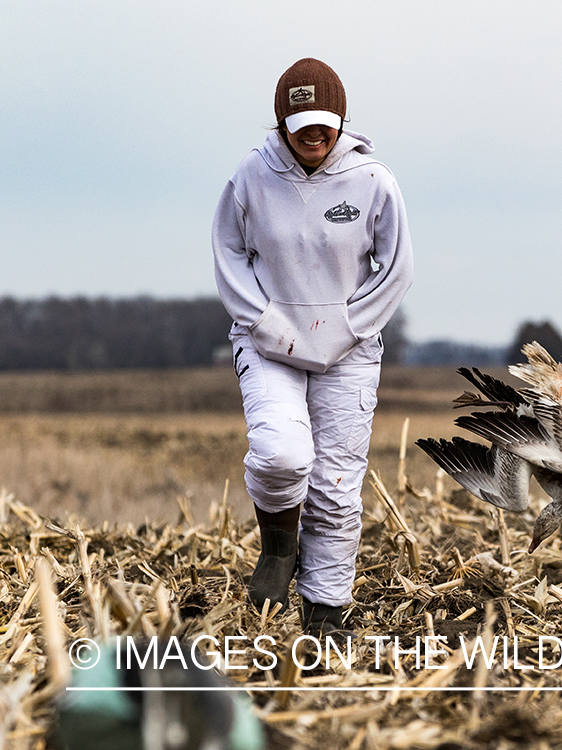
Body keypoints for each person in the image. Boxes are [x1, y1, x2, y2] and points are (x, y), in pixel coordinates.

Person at [212, 58, 413, 636]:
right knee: (281, 455)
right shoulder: (250, 177)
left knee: (335, 484)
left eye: (326, 122)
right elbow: (229, 259)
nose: (315, 134)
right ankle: (278, 547)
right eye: (302, 123)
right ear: (281, 123)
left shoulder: (374, 180)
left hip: (347, 352)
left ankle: (325, 610)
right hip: (268, 344)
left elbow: (395, 269)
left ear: (342, 120)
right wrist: (268, 325)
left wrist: (349, 327)